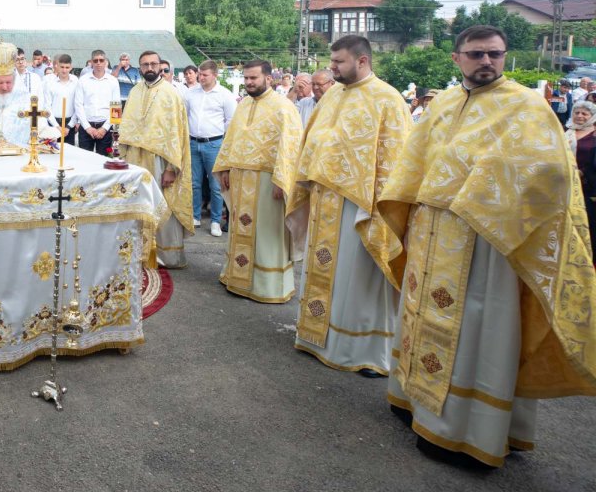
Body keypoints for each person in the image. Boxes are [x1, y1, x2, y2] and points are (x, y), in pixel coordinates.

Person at [379, 25, 596, 467]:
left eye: (494, 54)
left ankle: (466, 432)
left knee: (482, 329)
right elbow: (414, 163)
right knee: (422, 315)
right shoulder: (442, 103)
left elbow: (553, 174)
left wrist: (480, 194)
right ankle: (414, 402)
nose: (486, 62)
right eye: (476, 54)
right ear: (457, 58)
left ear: (504, 56)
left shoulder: (527, 107)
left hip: (487, 242)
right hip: (432, 234)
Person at [290, 35, 411, 377]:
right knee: (329, 269)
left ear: (361, 60)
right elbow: (312, 141)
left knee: (359, 278)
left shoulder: (387, 99)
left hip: (363, 206)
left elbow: (397, 158)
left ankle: (369, 352)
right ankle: (319, 338)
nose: (333, 69)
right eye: (332, 63)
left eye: (338, 63)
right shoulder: (331, 98)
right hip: (325, 198)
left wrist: (382, 208)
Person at [213, 60, 303, 302]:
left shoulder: (284, 107)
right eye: (246, 78)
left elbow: (291, 146)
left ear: (268, 78)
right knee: (239, 229)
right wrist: (225, 168)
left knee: (267, 234)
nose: (249, 82)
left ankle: (268, 285)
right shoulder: (242, 106)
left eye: (254, 78)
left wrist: (282, 179)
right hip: (241, 178)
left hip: (267, 181)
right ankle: (236, 276)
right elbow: (231, 138)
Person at [119, 51, 194, 268]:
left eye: (153, 64)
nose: (149, 68)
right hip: (135, 158)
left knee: (164, 204)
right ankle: (141, 252)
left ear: (161, 66)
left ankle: (167, 256)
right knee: (139, 204)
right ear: (140, 67)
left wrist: (172, 168)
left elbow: (176, 133)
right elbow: (127, 124)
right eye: (145, 65)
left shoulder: (170, 93)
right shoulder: (135, 91)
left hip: (161, 159)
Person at [185, 59, 237, 236]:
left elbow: (230, 121)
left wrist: (225, 144)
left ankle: (215, 220)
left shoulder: (224, 95)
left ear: (215, 75)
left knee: (215, 185)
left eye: (205, 75)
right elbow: (185, 116)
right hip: (193, 142)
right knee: (195, 182)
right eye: (199, 74)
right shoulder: (191, 93)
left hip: (214, 143)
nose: (201, 78)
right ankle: (195, 215)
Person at [75, 49, 120, 155]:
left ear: (105, 62)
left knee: (102, 161)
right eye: (96, 61)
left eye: (101, 60)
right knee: (84, 160)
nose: (98, 63)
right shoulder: (83, 80)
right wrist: (87, 127)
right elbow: (78, 105)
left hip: (105, 127)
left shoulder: (113, 81)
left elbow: (116, 107)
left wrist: (104, 128)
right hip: (86, 128)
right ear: (91, 62)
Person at [566, 99, 596, 253]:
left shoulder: (594, 134)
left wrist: (582, 172)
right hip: (565, 183)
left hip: (587, 185)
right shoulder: (567, 131)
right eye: (576, 112)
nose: (580, 116)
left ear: (592, 116)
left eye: (585, 113)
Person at [44, 53, 78, 140]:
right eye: (62, 67)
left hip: (69, 124)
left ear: (71, 67)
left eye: (67, 67)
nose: (64, 70)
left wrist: (69, 126)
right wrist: (56, 126)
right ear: (57, 67)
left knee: (69, 152)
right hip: (53, 122)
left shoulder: (76, 81)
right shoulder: (50, 83)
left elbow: (78, 104)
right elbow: (47, 106)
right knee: (53, 151)